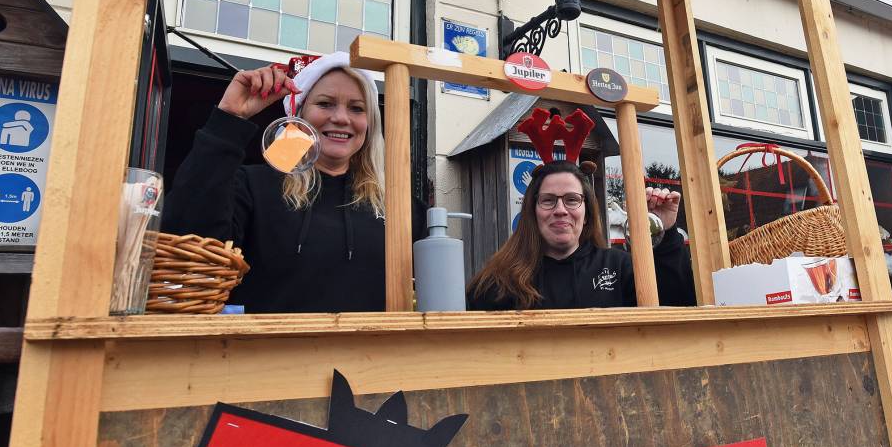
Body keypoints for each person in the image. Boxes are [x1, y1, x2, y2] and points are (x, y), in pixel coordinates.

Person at [162, 52, 425, 313]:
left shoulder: (399, 206)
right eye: (325, 104)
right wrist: (229, 118)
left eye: (357, 108)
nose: (342, 118)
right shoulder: (253, 186)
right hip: (266, 352)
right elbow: (186, 236)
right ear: (299, 115)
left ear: (370, 124)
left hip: (375, 354)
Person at [467, 160, 695, 310]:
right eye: (548, 200)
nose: (560, 210)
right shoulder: (500, 281)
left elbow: (680, 306)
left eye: (572, 199)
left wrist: (665, 233)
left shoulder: (619, 267)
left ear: (586, 213)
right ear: (532, 212)